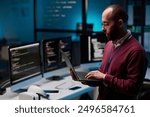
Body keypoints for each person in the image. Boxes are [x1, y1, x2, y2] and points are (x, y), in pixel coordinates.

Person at [71, 4, 148, 99]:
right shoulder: (109, 45)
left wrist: (104, 77)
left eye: (106, 24)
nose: (102, 29)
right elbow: (102, 75)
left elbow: (132, 88)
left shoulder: (136, 51)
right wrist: (85, 79)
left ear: (120, 23)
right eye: (102, 24)